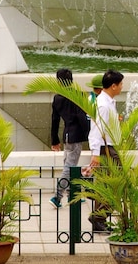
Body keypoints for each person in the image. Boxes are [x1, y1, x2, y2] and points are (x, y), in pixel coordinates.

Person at [86, 69, 124, 233]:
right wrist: (95, 154)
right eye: (120, 84)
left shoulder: (107, 102)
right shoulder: (103, 104)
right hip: (105, 148)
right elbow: (97, 129)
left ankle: (99, 218)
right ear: (113, 86)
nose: (122, 87)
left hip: (109, 146)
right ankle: (99, 217)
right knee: (115, 183)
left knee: (109, 184)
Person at [49, 68, 90, 209]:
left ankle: (72, 194)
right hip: (76, 135)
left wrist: (54, 140)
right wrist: (89, 133)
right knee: (70, 167)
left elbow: (55, 120)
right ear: (71, 80)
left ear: (58, 81)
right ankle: (57, 197)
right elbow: (82, 117)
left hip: (67, 134)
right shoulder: (78, 95)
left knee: (68, 163)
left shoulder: (58, 98)